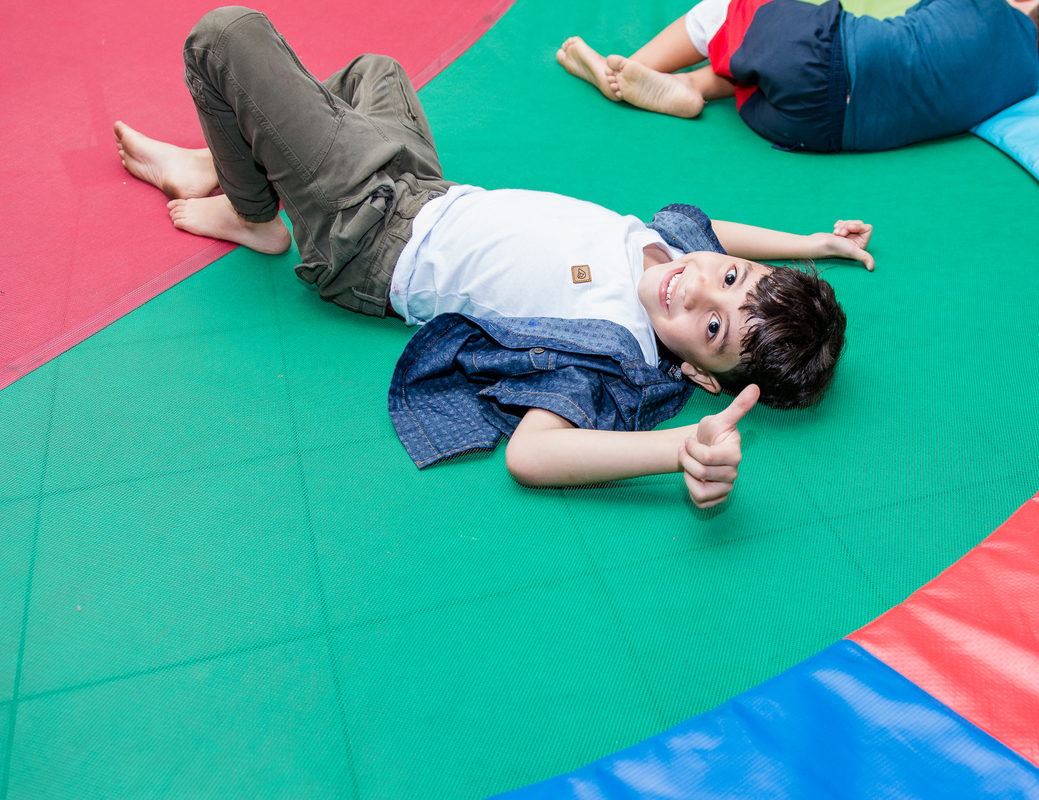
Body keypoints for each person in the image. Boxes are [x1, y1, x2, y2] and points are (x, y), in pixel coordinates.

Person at [115, 6, 874, 508]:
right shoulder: (684, 259)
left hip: (366, 234)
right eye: (731, 278)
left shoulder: (610, 348)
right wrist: (811, 243)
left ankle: (254, 216)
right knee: (376, 72)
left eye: (713, 328)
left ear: (701, 375)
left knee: (224, 38)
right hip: (426, 188)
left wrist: (678, 447)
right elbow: (715, 232)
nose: (699, 289)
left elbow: (532, 456)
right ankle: (240, 160)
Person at [556, 0, 1039, 152]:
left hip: (823, 59)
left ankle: (623, 68)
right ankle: (692, 87)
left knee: (724, 11)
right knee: (760, 53)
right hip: (815, 132)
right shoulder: (1024, 80)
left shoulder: (993, 10)